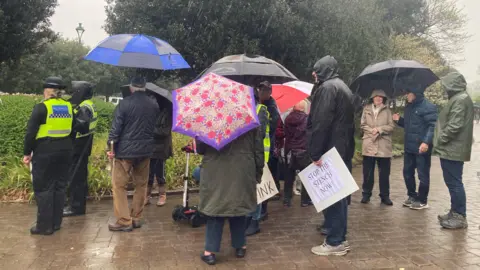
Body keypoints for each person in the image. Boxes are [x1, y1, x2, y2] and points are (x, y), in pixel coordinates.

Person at [307, 56, 355, 256]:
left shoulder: (327, 89)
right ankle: (339, 237)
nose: (313, 73)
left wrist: (315, 152)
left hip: (330, 150)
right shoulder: (343, 87)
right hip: (342, 148)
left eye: (316, 69)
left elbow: (321, 123)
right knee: (340, 195)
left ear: (324, 70)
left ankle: (335, 241)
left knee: (333, 196)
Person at [197, 127, 264, 265]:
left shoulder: (209, 119)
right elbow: (258, 150)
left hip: (216, 170)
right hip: (242, 169)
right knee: (238, 205)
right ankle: (240, 246)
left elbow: (201, 149)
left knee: (215, 208)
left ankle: (210, 252)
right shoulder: (249, 119)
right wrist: (258, 172)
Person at [106, 76, 159, 232]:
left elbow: (115, 129)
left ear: (131, 88)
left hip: (125, 153)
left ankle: (124, 221)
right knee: (141, 185)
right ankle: (136, 218)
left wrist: (110, 147)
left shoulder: (124, 103)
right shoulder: (153, 104)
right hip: (145, 151)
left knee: (119, 186)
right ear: (145, 87)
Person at [23, 77, 74, 235]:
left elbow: (30, 133)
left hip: (45, 151)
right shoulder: (68, 106)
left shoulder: (41, 108)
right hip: (65, 150)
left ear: (46, 91)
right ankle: (56, 223)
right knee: (59, 187)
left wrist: (26, 153)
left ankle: (44, 226)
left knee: (44, 188)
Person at [434, 72, 474, 229]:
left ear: (452, 84)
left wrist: (440, 141)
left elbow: (454, 125)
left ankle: (459, 216)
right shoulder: (459, 98)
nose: (444, 88)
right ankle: (455, 211)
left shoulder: (460, 99)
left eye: (446, 85)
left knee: (455, 183)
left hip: (452, 149)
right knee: (452, 182)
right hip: (452, 149)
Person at [393, 88, 437, 210]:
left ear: (415, 93)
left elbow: (432, 126)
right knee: (407, 173)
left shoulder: (428, 106)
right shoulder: (409, 107)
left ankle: (422, 200)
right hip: (409, 148)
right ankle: (412, 196)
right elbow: (408, 125)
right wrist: (399, 120)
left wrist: (426, 142)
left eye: (408, 93)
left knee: (422, 175)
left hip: (422, 148)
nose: (406, 95)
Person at [63, 81, 97, 217]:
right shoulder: (88, 105)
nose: (73, 94)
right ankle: (77, 205)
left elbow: (81, 126)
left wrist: (70, 120)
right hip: (84, 146)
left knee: (76, 177)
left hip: (79, 146)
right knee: (80, 177)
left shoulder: (84, 107)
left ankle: (75, 207)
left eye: (75, 91)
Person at [360, 90, 395, 205]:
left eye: (381, 97)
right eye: (376, 96)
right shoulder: (366, 109)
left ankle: (385, 196)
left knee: (384, 173)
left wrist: (379, 130)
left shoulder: (387, 111)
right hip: (369, 144)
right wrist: (372, 130)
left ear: (383, 99)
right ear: (372, 98)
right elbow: (363, 124)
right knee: (368, 173)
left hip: (383, 146)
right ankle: (366, 194)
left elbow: (391, 126)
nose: (378, 98)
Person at [245, 83, 270, 236]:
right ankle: (249, 217)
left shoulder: (261, 110)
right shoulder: (248, 111)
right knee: (249, 189)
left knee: (256, 190)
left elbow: (258, 136)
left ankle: (255, 221)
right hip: (248, 156)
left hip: (259, 156)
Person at [145, 93, 173, 207]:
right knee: (149, 172)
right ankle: (147, 195)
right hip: (150, 147)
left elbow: (164, 132)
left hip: (162, 148)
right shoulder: (151, 113)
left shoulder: (167, 114)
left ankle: (162, 195)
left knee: (160, 172)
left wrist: (150, 129)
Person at [283, 100, 311, 207]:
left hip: (289, 150)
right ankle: (305, 200)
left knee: (289, 176)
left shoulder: (287, 118)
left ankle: (286, 200)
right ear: (304, 108)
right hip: (302, 150)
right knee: (305, 176)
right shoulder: (307, 119)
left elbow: (286, 133)